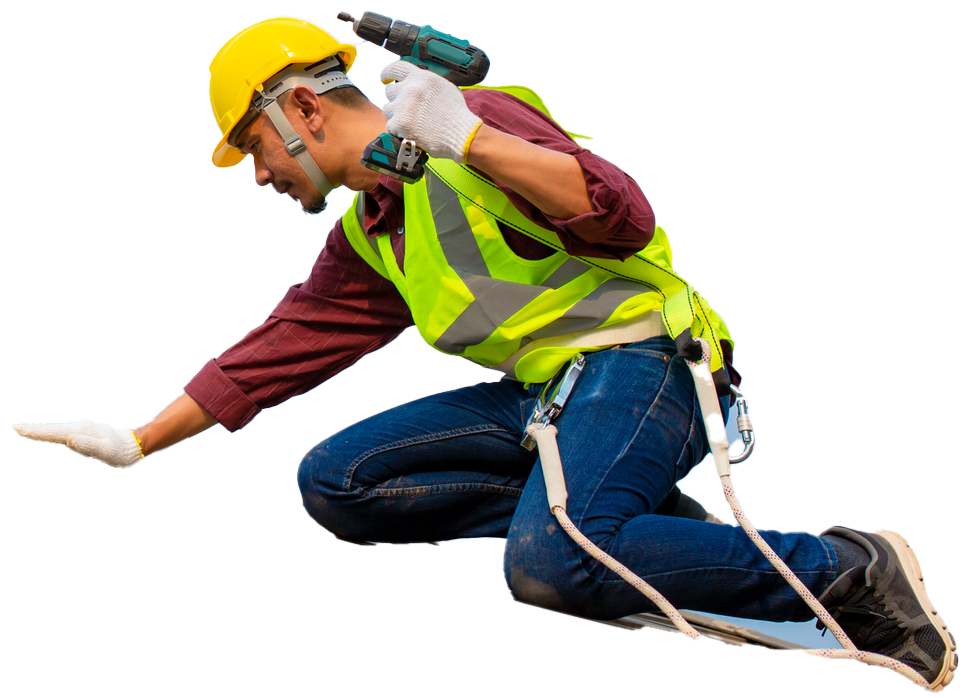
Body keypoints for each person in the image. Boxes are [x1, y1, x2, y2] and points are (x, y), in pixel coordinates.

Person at [11, 15, 955, 691]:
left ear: (302, 107)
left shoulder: (472, 116)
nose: (256, 173)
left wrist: (465, 133)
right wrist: (138, 441)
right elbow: (277, 349)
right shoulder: (371, 229)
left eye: (254, 147)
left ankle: (842, 568)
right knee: (337, 482)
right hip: (549, 394)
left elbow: (619, 212)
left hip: (646, 360)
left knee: (547, 566)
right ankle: (643, 535)